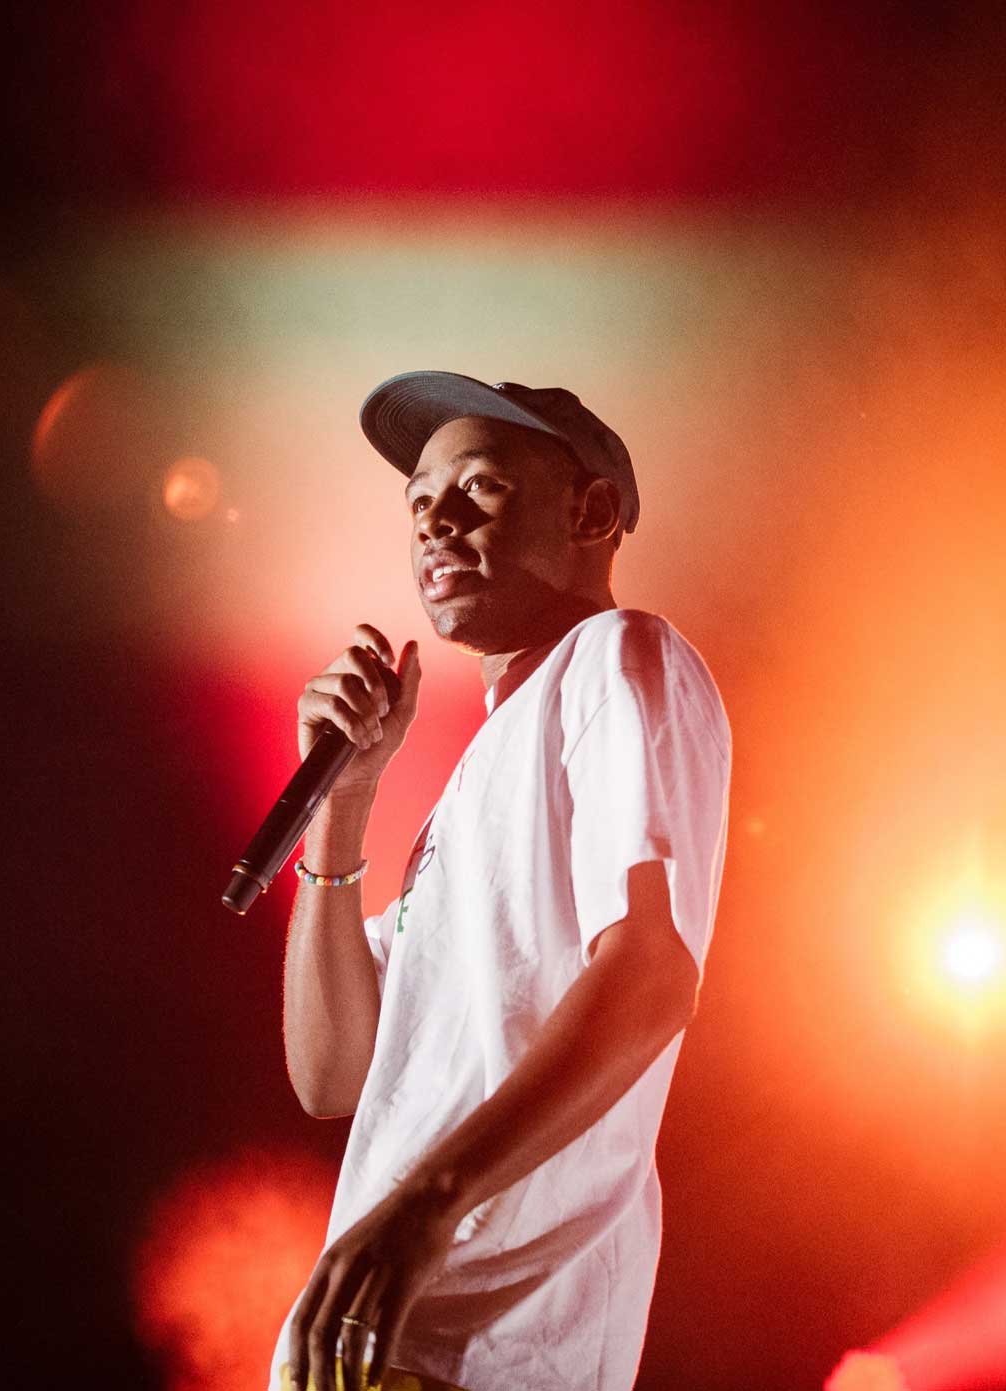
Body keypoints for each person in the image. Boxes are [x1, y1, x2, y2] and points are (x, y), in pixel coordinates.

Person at [271, 372, 731, 1391]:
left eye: (476, 487)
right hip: (379, 1343)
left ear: (591, 511)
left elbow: (653, 974)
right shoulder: (470, 781)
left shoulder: (619, 655)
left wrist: (425, 1207)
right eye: (418, 500)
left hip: (489, 1352)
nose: (433, 518)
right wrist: (344, 803)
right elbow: (331, 1074)